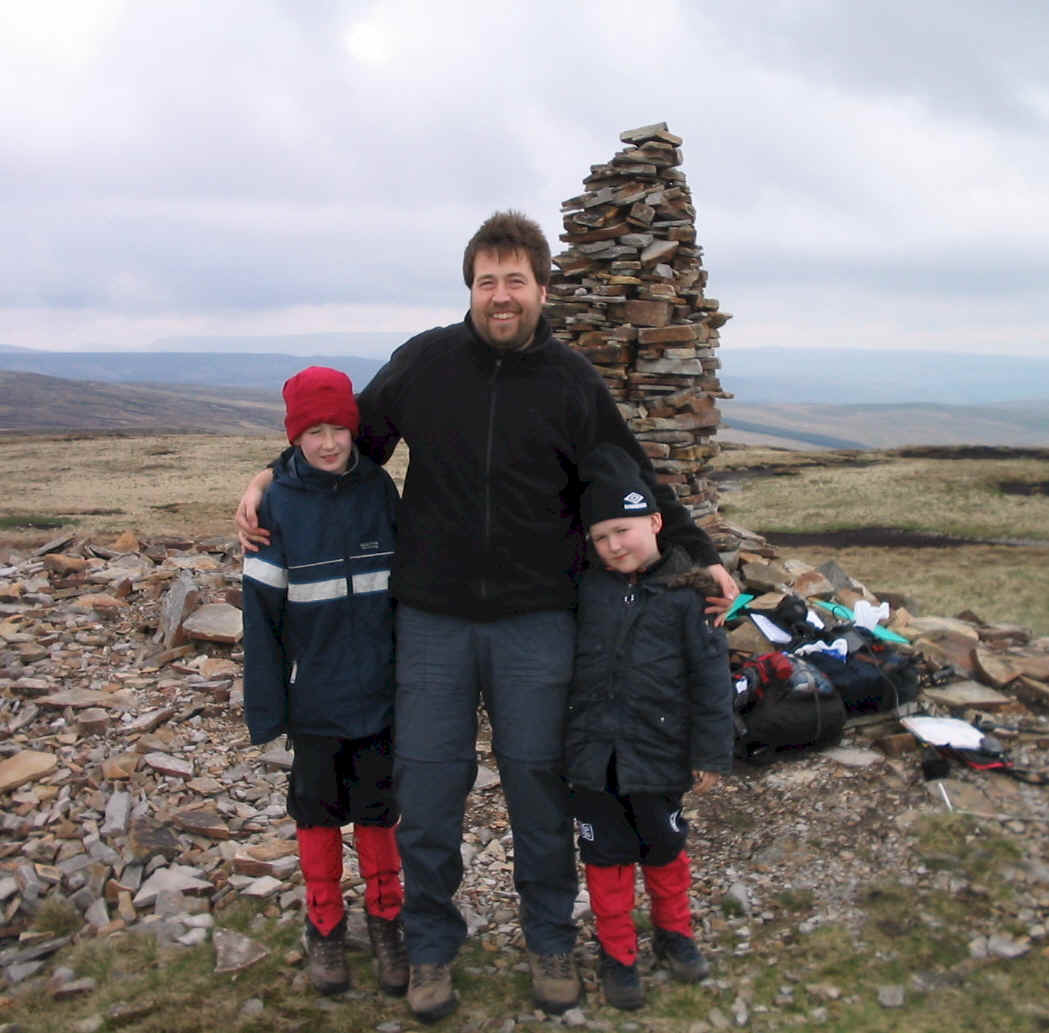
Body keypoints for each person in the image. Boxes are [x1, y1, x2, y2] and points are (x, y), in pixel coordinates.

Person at [236, 211, 739, 1024]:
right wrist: (270, 473)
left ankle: (548, 937)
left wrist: (695, 549)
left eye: (514, 281)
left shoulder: (571, 382)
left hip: (536, 618)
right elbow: (344, 438)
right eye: (485, 281)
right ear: (468, 287)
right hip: (430, 618)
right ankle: (431, 945)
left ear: (542, 287)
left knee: (540, 791)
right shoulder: (427, 362)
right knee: (429, 791)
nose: (499, 296)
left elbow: (631, 473)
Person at [240, 366, 408, 999]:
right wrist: (268, 707)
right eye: (314, 431)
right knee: (314, 811)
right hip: (313, 699)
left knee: (377, 808)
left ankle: (388, 922)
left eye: (339, 427)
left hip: (378, 694)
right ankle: (325, 924)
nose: (330, 442)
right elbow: (260, 619)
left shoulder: (379, 492)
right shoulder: (276, 506)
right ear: (294, 436)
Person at [566, 443, 734, 1010]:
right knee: (604, 856)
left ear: (656, 521)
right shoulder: (585, 590)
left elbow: (712, 682)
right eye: (601, 537)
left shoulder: (692, 595)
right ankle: (618, 953)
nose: (614, 545)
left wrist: (711, 754)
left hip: (659, 753)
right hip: (592, 755)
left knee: (664, 845)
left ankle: (675, 934)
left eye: (624, 529)